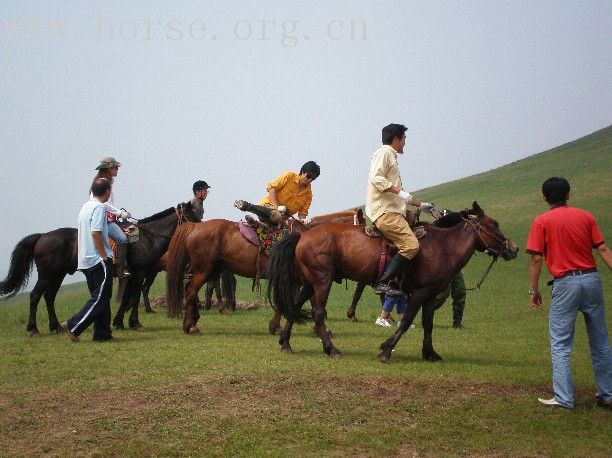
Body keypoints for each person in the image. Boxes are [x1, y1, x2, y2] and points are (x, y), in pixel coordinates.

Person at [526, 177, 612, 410]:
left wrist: (534, 290)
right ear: (568, 195)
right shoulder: (586, 217)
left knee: (561, 343)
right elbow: (602, 248)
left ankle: (564, 398)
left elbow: (536, 258)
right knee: (600, 340)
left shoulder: (541, 221)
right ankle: (608, 394)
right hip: (592, 280)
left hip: (565, 283)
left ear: (544, 197)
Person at [365, 123, 435, 296]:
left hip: (392, 209)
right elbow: (376, 179)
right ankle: (383, 283)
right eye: (404, 139)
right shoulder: (384, 153)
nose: (405, 143)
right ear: (396, 139)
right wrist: (400, 192)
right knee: (411, 246)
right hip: (386, 212)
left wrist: (420, 205)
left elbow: (400, 195)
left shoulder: (390, 156)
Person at [61, 177, 115, 342]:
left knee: (101, 297)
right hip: (98, 260)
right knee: (100, 297)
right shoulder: (99, 207)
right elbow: (96, 232)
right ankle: (74, 325)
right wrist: (104, 256)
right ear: (107, 192)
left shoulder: (86, 206)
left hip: (85, 260)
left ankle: (102, 334)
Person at [93, 156, 131, 279]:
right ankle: (121, 270)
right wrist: (120, 213)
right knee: (122, 238)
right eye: (115, 167)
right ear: (109, 168)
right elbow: (104, 203)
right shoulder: (103, 182)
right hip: (105, 220)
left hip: (109, 217)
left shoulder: (102, 181)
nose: (117, 170)